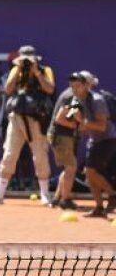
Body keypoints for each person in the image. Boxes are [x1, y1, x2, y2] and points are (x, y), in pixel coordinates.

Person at [0, 45, 55, 205]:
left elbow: (50, 89)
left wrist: (36, 72)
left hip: (36, 118)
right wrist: (18, 70)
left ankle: (45, 194)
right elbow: (8, 89)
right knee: (9, 154)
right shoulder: (15, 70)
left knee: (40, 155)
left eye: (29, 58)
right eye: (23, 57)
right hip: (16, 117)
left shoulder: (45, 70)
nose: (26, 61)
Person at [48, 71, 106, 211]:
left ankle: (57, 198)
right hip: (62, 136)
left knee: (69, 167)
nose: (91, 87)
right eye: (90, 84)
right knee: (71, 167)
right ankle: (65, 200)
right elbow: (60, 119)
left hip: (64, 135)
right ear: (85, 84)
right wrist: (77, 126)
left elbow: (71, 116)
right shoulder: (73, 97)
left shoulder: (76, 96)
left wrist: (78, 124)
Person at [68, 72, 114, 216]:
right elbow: (70, 117)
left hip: (108, 139)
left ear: (86, 86)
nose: (75, 89)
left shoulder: (97, 100)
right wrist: (73, 117)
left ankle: (113, 194)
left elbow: (102, 126)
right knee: (90, 175)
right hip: (94, 140)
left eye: (78, 86)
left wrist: (82, 123)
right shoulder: (75, 99)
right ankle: (99, 208)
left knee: (90, 171)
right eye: (72, 86)